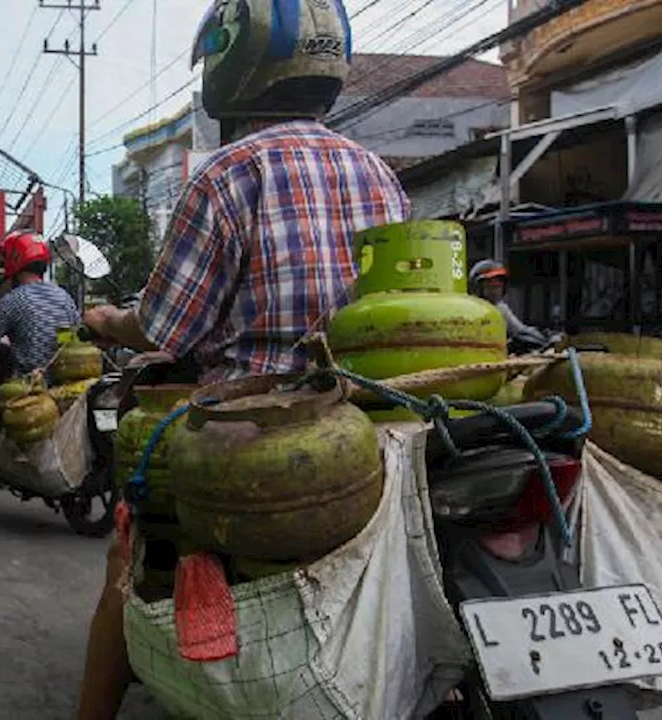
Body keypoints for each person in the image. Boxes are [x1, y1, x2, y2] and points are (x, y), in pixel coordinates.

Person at [75, 1, 410, 717]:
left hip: (249, 437)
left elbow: (169, 326)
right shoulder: (379, 173)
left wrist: (106, 320)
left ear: (234, 66)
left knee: (123, 564)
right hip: (368, 427)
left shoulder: (227, 174)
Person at [0, 230, 80, 524]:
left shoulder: (13, 300)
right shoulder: (64, 298)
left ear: (13, 263)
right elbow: (72, 338)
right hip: (63, 383)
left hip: (25, 386)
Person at [468, 259, 552, 349]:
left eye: (498, 286)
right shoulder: (469, 309)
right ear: (477, 288)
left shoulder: (500, 308)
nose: (495, 291)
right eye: (490, 286)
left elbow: (519, 331)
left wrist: (546, 336)